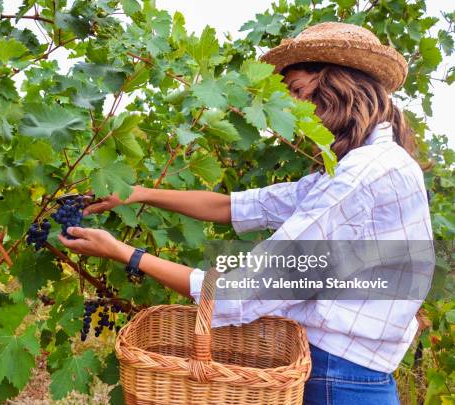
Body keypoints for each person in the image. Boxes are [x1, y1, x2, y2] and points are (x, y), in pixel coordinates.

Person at [58, 22, 432, 405]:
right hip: (349, 375)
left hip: (337, 379)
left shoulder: (362, 174)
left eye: (298, 92)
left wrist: (126, 254)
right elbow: (233, 206)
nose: (295, 112)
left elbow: (238, 294)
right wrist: (137, 194)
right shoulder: (364, 166)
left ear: (339, 85)